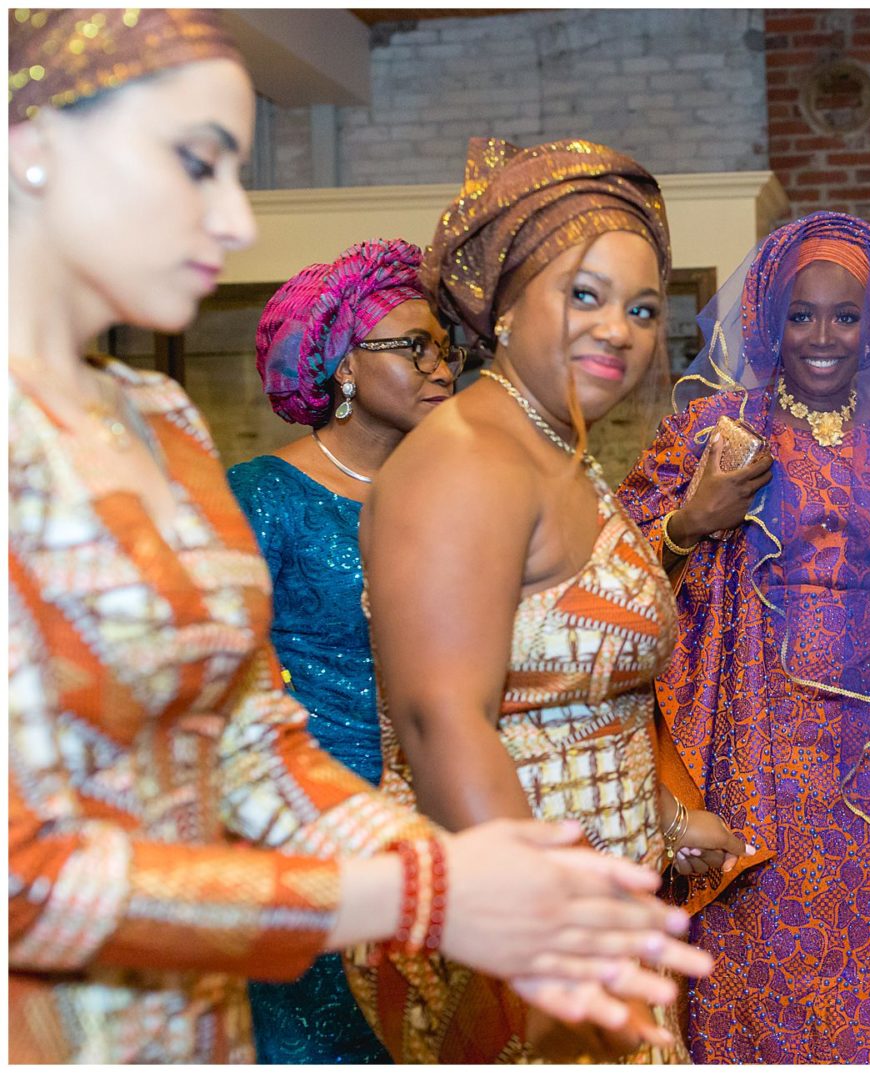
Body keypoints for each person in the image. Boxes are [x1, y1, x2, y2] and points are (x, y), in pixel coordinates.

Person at [7, 11, 706, 1063]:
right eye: (197, 162)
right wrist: (408, 889)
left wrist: (496, 882)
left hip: (195, 1023)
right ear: (33, 148)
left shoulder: (156, 419)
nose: (235, 217)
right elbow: (22, 878)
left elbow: (247, 731)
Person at [347, 136, 750, 1064]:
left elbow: (565, 692)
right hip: (515, 944)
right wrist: (557, 936)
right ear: (502, 301)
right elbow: (442, 720)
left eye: (643, 307)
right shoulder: (466, 459)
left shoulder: (554, 447)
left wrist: (658, 814)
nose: (619, 327)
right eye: (585, 293)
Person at [616, 210, 870, 1063]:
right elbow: (612, 574)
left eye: (846, 316)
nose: (824, 336)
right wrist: (687, 522)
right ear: (769, 322)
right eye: (801, 314)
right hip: (754, 739)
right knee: (759, 946)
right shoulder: (714, 433)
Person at [228, 239, 458, 1063]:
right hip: (312, 825)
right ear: (343, 366)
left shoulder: (454, 493)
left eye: (445, 346)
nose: (441, 366)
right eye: (414, 346)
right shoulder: (262, 496)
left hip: (441, 813)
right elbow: (222, 681)